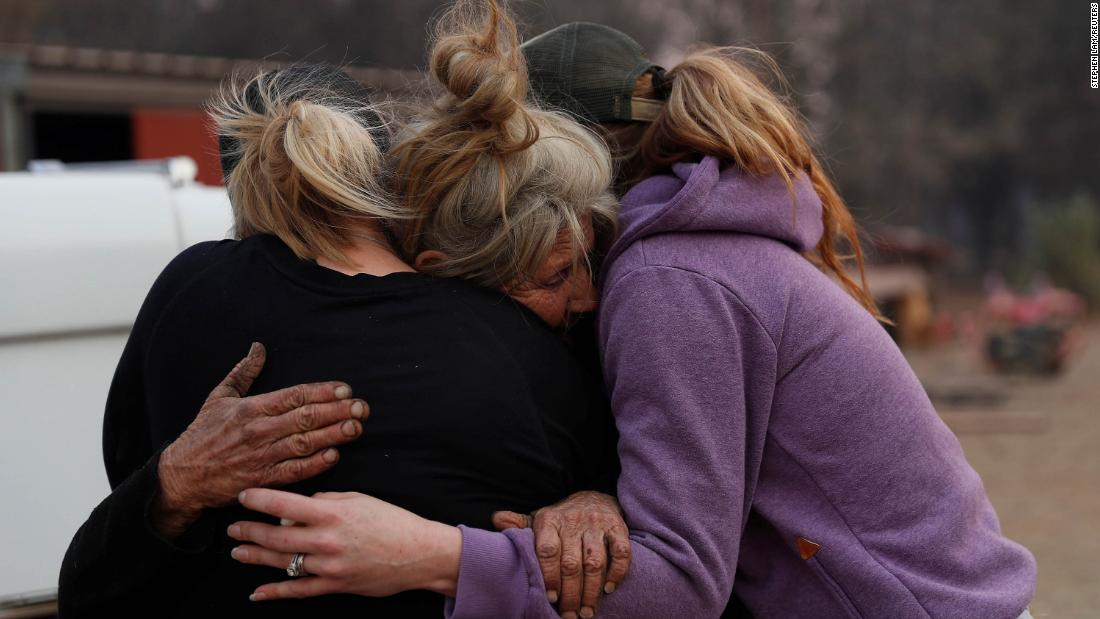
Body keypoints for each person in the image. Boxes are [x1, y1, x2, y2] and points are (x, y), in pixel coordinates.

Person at [229, 16, 1038, 619]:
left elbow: (682, 581)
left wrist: (431, 554)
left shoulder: (671, 280)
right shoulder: (697, 251)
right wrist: (596, 494)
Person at [57, 63, 621, 618]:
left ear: (239, 196)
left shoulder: (193, 293)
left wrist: (177, 480)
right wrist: (596, 497)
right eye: (557, 275)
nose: (584, 298)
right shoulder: (516, 343)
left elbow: (95, 580)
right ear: (385, 172)